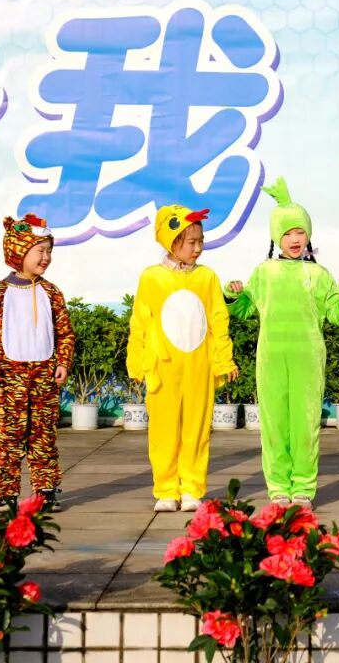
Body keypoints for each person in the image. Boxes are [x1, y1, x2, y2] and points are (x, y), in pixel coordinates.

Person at [225, 178, 339, 509]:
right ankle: (278, 489)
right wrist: (233, 295)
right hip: (271, 360)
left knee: (305, 425)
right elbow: (244, 310)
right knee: (274, 425)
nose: (295, 239)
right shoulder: (264, 273)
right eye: (288, 233)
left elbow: (337, 315)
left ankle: (303, 489)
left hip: (307, 361)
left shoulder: (319, 275)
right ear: (276, 237)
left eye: (300, 232)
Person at [127, 205, 238, 513]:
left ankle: (191, 488)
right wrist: (136, 361)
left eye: (201, 241)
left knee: (196, 430)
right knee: (163, 431)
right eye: (191, 242)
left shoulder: (207, 277)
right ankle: (166, 489)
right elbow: (140, 322)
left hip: (198, 367)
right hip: (162, 367)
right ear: (171, 240)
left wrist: (223, 360)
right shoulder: (152, 278)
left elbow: (218, 320)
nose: (198, 248)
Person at [0, 214, 74, 509]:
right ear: (18, 250)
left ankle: (46, 490)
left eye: (49, 251)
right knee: (8, 438)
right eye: (39, 250)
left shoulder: (51, 293)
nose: (46, 257)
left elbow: (65, 332)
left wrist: (63, 362)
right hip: (8, 378)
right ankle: (7, 493)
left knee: (44, 436)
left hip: (44, 377)